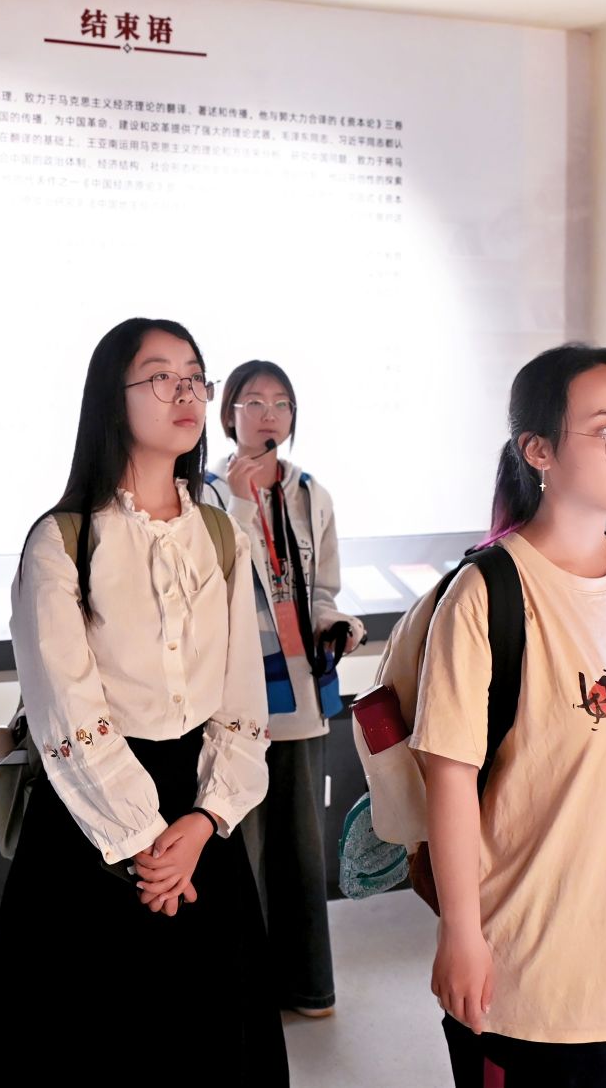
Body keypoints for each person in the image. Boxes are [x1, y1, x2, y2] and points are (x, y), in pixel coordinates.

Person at [0, 318, 287, 1087]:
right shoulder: (64, 538)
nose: (185, 392)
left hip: (201, 816)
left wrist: (204, 821)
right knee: (89, 1040)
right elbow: (67, 708)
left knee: (212, 1041)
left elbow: (242, 700)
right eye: (161, 376)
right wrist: (144, 840)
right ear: (114, 395)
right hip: (92, 820)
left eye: (195, 376)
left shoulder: (220, 534)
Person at [415, 343, 606, 1087]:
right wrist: (460, 934)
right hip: (533, 970)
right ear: (539, 451)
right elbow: (449, 780)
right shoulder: (486, 594)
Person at [202, 359, 365, 1019]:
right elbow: (210, 581)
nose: (268, 414)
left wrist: (335, 623)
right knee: (239, 846)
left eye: (280, 403)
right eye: (253, 401)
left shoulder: (311, 493)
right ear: (229, 414)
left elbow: (321, 589)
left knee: (302, 845)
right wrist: (243, 504)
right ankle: (243, 998)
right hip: (233, 695)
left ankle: (307, 986)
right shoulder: (206, 493)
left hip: (301, 691)